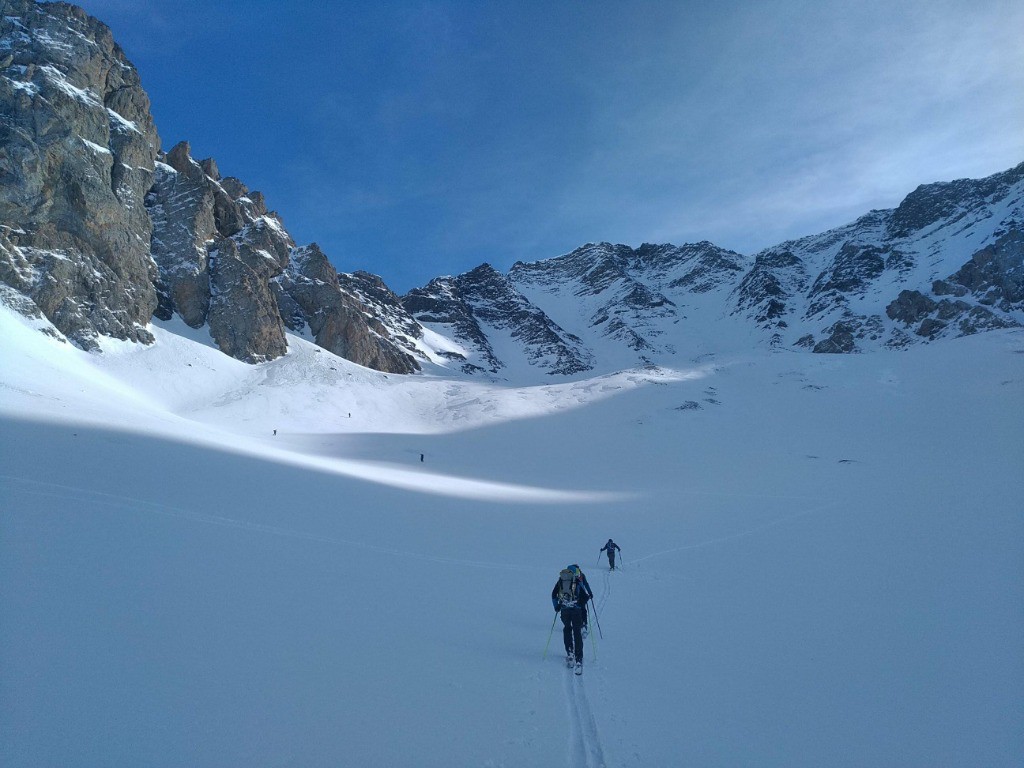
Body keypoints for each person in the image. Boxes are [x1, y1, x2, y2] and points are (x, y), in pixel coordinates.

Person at [551, 567, 589, 674]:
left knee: (567, 629)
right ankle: (579, 658)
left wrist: (557, 607)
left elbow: (553, 595)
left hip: (564, 611)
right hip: (576, 611)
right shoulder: (576, 581)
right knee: (577, 632)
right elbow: (585, 597)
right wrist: (580, 604)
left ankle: (570, 653)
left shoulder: (560, 581)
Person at [567, 564, 593, 636]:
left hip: (575, 597)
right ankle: (583, 625)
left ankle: (575, 625)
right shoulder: (581, 575)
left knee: (576, 610)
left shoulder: (573, 576)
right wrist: (590, 593)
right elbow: (586, 584)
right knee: (582, 610)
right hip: (581, 596)